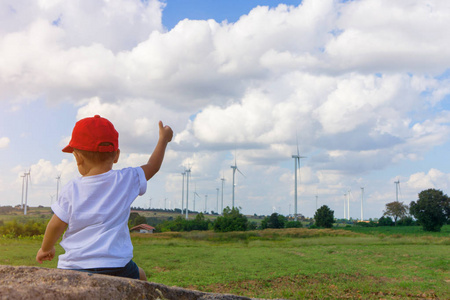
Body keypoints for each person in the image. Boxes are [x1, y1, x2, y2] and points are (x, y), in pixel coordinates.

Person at [36, 115, 173, 281]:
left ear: (78, 157)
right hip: (117, 267)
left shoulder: (72, 189)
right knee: (141, 276)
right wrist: (163, 140)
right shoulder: (127, 179)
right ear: (116, 156)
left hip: (74, 268)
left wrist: (46, 248)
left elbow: (55, 225)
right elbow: (153, 166)